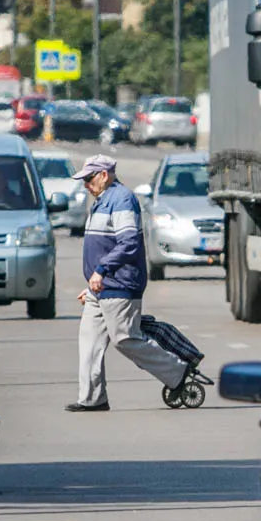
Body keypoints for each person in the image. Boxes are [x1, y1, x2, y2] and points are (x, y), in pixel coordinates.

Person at [67, 154, 190, 411]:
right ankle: (92, 398)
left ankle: (177, 373)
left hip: (120, 283)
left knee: (124, 338)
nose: (86, 185)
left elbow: (129, 243)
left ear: (103, 175)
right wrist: (91, 280)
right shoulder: (102, 201)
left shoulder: (122, 199)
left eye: (89, 179)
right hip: (99, 286)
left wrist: (101, 270)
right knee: (88, 343)